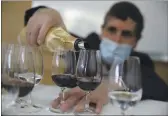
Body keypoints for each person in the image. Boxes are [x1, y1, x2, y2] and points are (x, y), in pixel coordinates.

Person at [23, 1, 168, 114]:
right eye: (112, 30)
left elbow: (161, 89)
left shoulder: (140, 60)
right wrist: (46, 12)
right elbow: (39, 24)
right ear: (101, 31)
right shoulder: (85, 46)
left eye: (126, 34)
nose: (117, 40)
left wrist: (109, 87)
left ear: (135, 42)